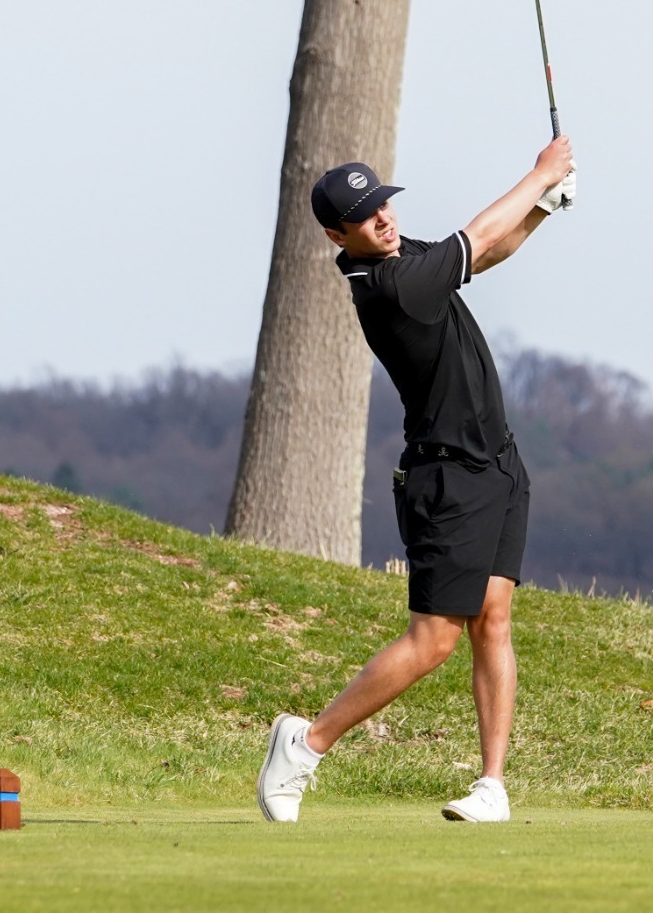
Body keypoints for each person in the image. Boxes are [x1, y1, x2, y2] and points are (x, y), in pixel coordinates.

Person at [256, 138, 576, 824]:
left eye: (381, 203)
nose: (381, 218)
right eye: (363, 216)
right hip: (447, 478)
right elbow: (480, 234)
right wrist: (538, 175)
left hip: (498, 464)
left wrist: (544, 206)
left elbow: (488, 252)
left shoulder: (406, 258)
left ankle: (492, 785)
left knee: (493, 620)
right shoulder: (391, 287)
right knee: (434, 639)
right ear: (335, 234)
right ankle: (305, 744)